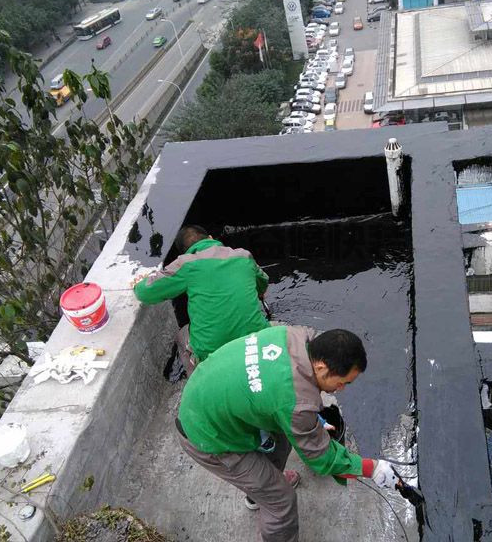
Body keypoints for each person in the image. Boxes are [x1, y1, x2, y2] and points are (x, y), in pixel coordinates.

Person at [175, 326, 397, 541]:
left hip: (204, 396)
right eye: (342, 382)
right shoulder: (296, 404)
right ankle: (266, 498)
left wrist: (314, 419)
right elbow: (321, 457)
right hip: (206, 435)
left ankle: (257, 494)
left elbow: (281, 395)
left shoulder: (290, 336)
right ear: (321, 367)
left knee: (283, 437)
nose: (342, 389)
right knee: (281, 501)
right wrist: (371, 468)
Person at [133, 225, 269, 375]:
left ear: (185, 252)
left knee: (183, 334)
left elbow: (145, 292)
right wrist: (260, 291)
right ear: (211, 238)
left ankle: (199, 377)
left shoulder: (185, 263)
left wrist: (140, 282)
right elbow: (263, 281)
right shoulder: (244, 256)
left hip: (212, 351)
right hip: (258, 339)